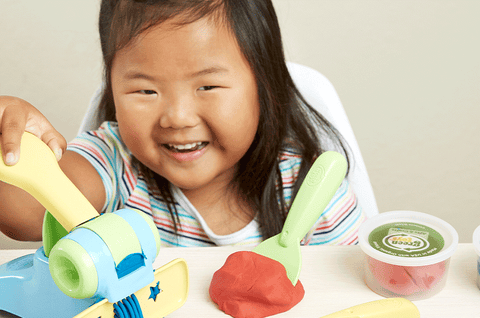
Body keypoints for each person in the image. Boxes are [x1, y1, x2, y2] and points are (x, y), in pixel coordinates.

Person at [0, 0, 365, 247]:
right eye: (145, 91)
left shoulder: (308, 190)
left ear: (264, 84)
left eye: (207, 86)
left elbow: (349, 297)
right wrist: (10, 146)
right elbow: (24, 213)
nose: (177, 117)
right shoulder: (115, 164)